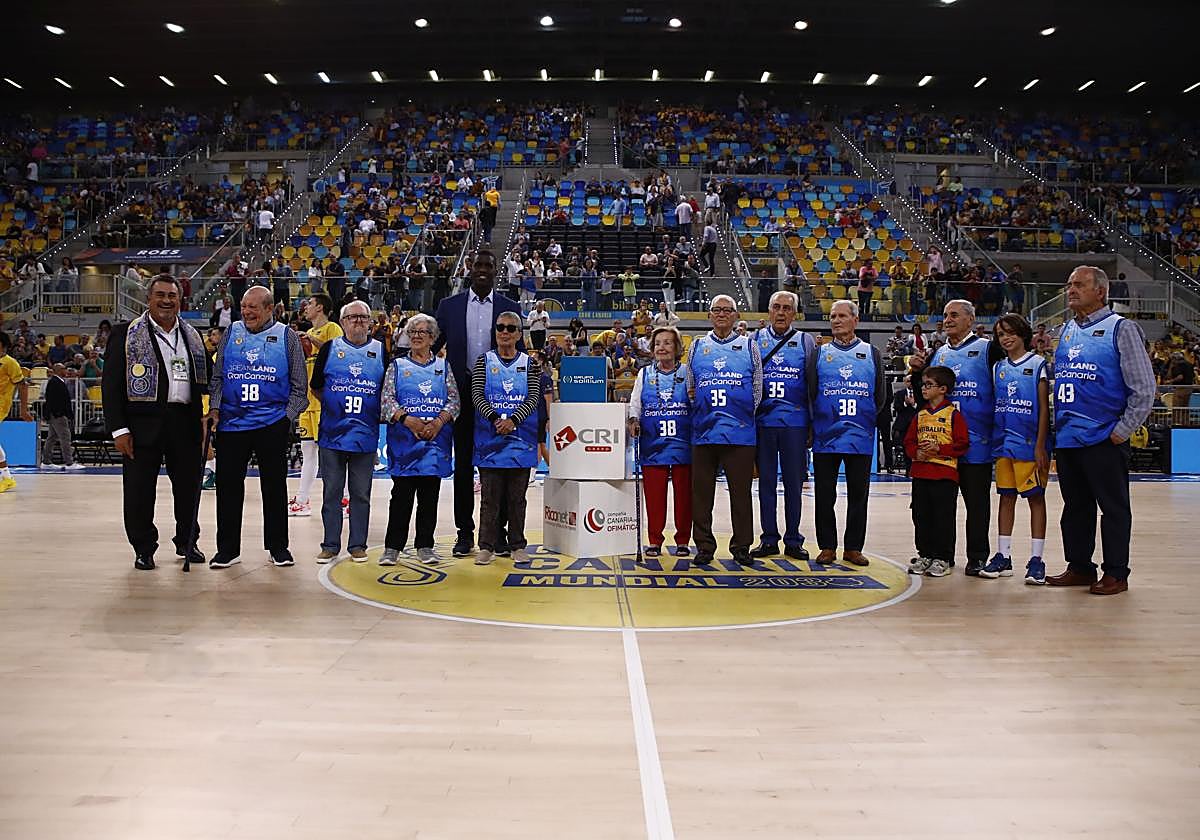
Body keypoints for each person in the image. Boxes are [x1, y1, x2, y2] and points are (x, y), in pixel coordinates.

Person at [1049, 266, 1154, 595]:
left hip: (1104, 436)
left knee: (1113, 508)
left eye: (1079, 284)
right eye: (1069, 284)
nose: (1071, 290)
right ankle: (1080, 567)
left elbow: (1144, 387)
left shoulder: (1121, 328)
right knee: (1075, 508)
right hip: (1069, 436)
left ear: (1101, 291)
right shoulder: (1066, 329)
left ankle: (1116, 573)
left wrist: (1123, 430)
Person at [100, 276, 211, 569]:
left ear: (180, 300)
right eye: (160, 295)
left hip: (184, 420)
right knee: (139, 490)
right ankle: (143, 548)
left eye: (172, 295)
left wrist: (209, 414)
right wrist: (119, 429)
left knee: (188, 488)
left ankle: (188, 541)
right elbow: (110, 385)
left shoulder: (192, 335)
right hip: (140, 424)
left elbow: (210, 377)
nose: (166, 300)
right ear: (148, 299)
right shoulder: (125, 334)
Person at [207, 286, 308, 569]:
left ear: (269, 308)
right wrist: (214, 408)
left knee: (274, 488)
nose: (246, 312)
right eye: (244, 306)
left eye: (253, 307)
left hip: (271, 423)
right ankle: (227, 550)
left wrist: (285, 419)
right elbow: (218, 378)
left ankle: (278, 547)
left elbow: (300, 388)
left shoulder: (287, 336)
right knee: (228, 488)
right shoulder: (231, 332)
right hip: (232, 423)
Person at [433, 249, 524, 557]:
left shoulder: (510, 307)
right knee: (462, 467)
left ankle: (498, 534)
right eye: (478, 265)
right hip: (459, 397)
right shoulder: (449, 306)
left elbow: (520, 353)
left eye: (489, 265)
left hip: (498, 400)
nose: (483, 270)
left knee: (497, 466)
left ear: (497, 270)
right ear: (469, 268)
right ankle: (464, 533)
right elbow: (432, 349)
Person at [917, 299, 998, 575]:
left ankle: (977, 556)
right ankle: (942, 555)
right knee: (941, 506)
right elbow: (926, 396)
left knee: (977, 505)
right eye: (945, 315)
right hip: (942, 447)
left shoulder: (987, 349)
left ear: (970, 319)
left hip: (977, 443)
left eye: (954, 315)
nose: (948, 319)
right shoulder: (938, 353)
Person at [808, 300, 885, 567]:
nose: (836, 320)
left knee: (858, 496)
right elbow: (811, 392)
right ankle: (827, 546)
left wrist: (864, 418)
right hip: (826, 435)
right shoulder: (819, 353)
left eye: (842, 315)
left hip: (859, 435)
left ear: (856, 319)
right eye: (833, 316)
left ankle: (853, 547)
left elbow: (880, 396)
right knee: (824, 495)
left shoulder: (871, 352)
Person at [687, 294, 762, 566]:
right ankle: (704, 546)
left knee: (740, 494)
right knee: (701, 494)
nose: (721, 314)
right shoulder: (697, 345)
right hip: (704, 431)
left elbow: (757, 387)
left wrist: (740, 414)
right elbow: (691, 386)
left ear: (735, 315)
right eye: (716, 309)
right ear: (709, 315)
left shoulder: (749, 345)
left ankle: (741, 546)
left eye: (727, 310)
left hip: (740, 432)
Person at [308, 300, 385, 562]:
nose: (358, 321)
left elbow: (387, 391)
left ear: (370, 322)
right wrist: (335, 407)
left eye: (363, 317)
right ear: (342, 322)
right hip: (333, 434)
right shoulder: (330, 348)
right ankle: (330, 544)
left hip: (365, 435)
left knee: (361, 494)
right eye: (353, 317)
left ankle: (357, 545)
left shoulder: (380, 350)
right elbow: (316, 386)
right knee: (331, 491)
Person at [382, 313, 459, 564]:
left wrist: (438, 422)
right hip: (404, 443)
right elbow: (387, 400)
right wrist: (407, 420)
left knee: (429, 496)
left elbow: (454, 401)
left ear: (432, 338)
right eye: (412, 332)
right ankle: (392, 547)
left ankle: (425, 545)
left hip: (435, 442)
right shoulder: (396, 366)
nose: (416, 336)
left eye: (422, 332)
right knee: (401, 496)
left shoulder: (443, 367)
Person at [984, 314, 1051, 583]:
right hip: (1004, 443)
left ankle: (1037, 560)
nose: (1006, 338)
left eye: (1010, 332)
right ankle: (1003, 555)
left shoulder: (1037, 364)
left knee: (1036, 499)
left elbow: (1044, 409)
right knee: (1006, 497)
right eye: (1001, 334)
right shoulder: (997, 368)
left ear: (1023, 333)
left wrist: (1040, 446)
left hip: (1029, 444)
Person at [471, 311, 541, 566]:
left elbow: (533, 397)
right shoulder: (484, 361)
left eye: (511, 328)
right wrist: (495, 419)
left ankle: (517, 545)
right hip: (489, 440)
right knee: (489, 498)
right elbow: (477, 394)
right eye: (500, 327)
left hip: (521, 440)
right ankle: (486, 546)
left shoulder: (529, 363)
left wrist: (513, 421)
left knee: (517, 499)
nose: (505, 332)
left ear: (519, 334)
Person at [751, 291, 816, 560]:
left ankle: (793, 539)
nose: (781, 312)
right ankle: (768, 539)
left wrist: (812, 423)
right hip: (764, 423)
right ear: (769, 311)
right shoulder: (754, 340)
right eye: (776, 307)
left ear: (794, 313)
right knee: (765, 484)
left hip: (795, 424)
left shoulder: (805, 341)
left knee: (793, 484)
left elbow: (812, 384)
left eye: (787, 308)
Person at [629, 326, 693, 557]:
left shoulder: (688, 372)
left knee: (684, 496)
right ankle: (654, 540)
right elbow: (635, 404)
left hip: (683, 442)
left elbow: (696, 401)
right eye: (657, 343)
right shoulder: (644, 373)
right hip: (653, 442)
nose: (661, 347)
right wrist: (633, 420)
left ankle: (683, 540)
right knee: (654, 496)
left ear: (677, 347)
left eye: (667, 343)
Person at [904, 365, 969, 578]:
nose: (924, 388)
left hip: (944, 475)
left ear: (943, 389)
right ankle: (925, 554)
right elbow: (909, 441)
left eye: (929, 385)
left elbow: (962, 444)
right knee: (921, 516)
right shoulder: (920, 415)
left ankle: (943, 557)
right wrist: (916, 452)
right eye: (923, 384)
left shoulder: (953, 415)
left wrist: (939, 449)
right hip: (921, 473)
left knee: (943, 518)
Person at [291, 294, 343, 517]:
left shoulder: (332, 328)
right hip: (307, 402)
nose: (306, 308)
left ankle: (344, 499)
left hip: (324, 401)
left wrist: (311, 340)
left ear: (320, 307)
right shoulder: (308, 332)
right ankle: (302, 500)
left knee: (332, 454)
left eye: (310, 304)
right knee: (307, 452)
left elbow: (338, 353)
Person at [0, 331, 33, 493]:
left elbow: (23, 386)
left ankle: (6, 477)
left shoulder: (10, 363)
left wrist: (23, 409)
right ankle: (6, 476)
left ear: (3, 346)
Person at [41, 364, 82, 470]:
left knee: (51, 437)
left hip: (56, 414)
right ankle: (69, 462)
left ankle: (46, 461)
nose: (66, 370)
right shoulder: (54, 382)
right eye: (64, 369)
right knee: (65, 437)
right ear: (58, 370)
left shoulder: (58, 381)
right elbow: (54, 400)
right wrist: (59, 413)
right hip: (58, 415)